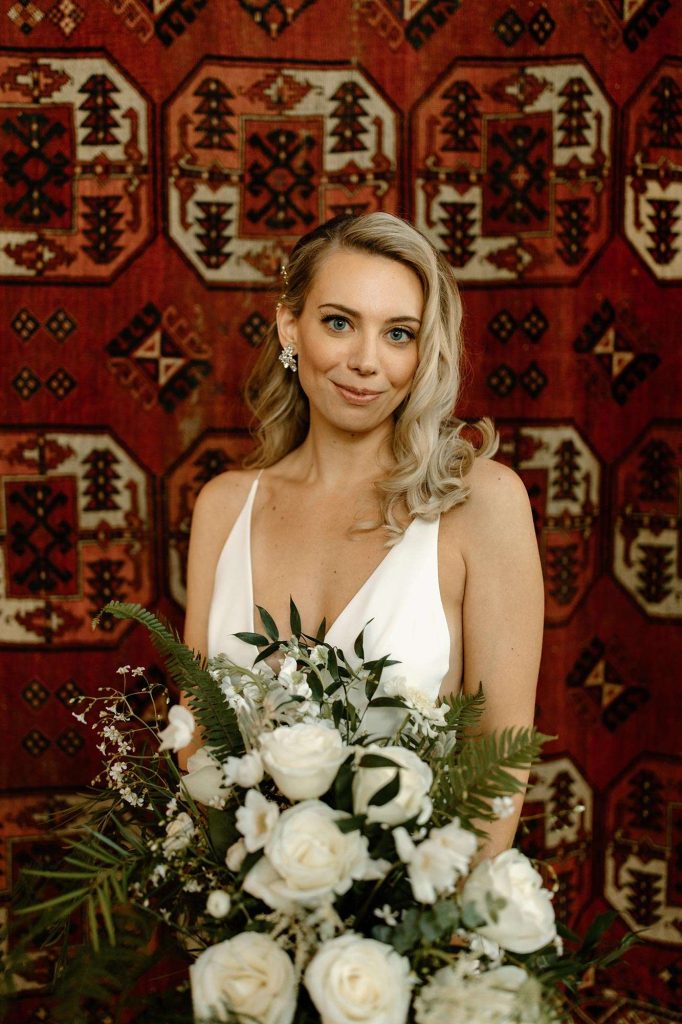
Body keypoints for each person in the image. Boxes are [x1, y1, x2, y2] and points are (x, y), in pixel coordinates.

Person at [182, 213, 544, 858]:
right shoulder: (223, 507)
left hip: (426, 908)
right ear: (290, 326)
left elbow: (499, 763)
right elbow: (194, 746)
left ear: (423, 351)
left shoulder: (481, 503)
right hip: (235, 906)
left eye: (398, 334)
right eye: (339, 323)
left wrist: (442, 919)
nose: (366, 362)